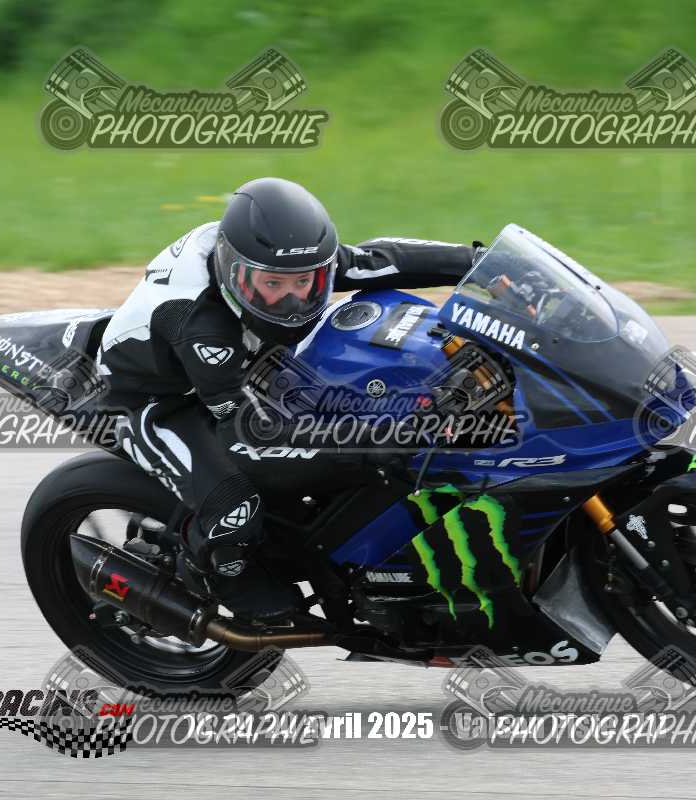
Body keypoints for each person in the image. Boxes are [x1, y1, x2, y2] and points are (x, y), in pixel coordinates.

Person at [96, 177, 476, 616]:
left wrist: (478, 261)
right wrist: (372, 445)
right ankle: (211, 571)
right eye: (273, 285)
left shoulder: (288, 262)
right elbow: (247, 433)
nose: (292, 299)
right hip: (160, 400)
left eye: (304, 283)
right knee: (235, 504)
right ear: (235, 273)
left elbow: (377, 260)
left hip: (250, 365)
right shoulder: (204, 328)